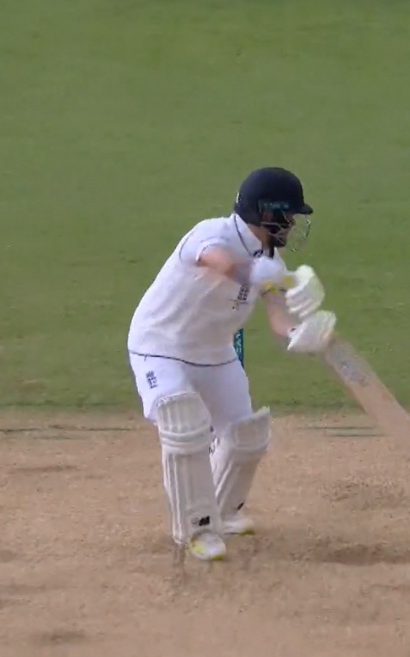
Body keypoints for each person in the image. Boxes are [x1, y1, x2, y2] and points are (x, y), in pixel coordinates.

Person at [126, 167, 338, 561]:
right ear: (266, 213)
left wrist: (301, 334)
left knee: (247, 434)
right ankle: (195, 530)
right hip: (161, 346)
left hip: (214, 352)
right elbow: (220, 263)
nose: (292, 224)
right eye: (287, 216)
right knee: (184, 424)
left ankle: (221, 513)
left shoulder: (270, 255)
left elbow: (278, 317)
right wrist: (257, 273)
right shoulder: (212, 235)